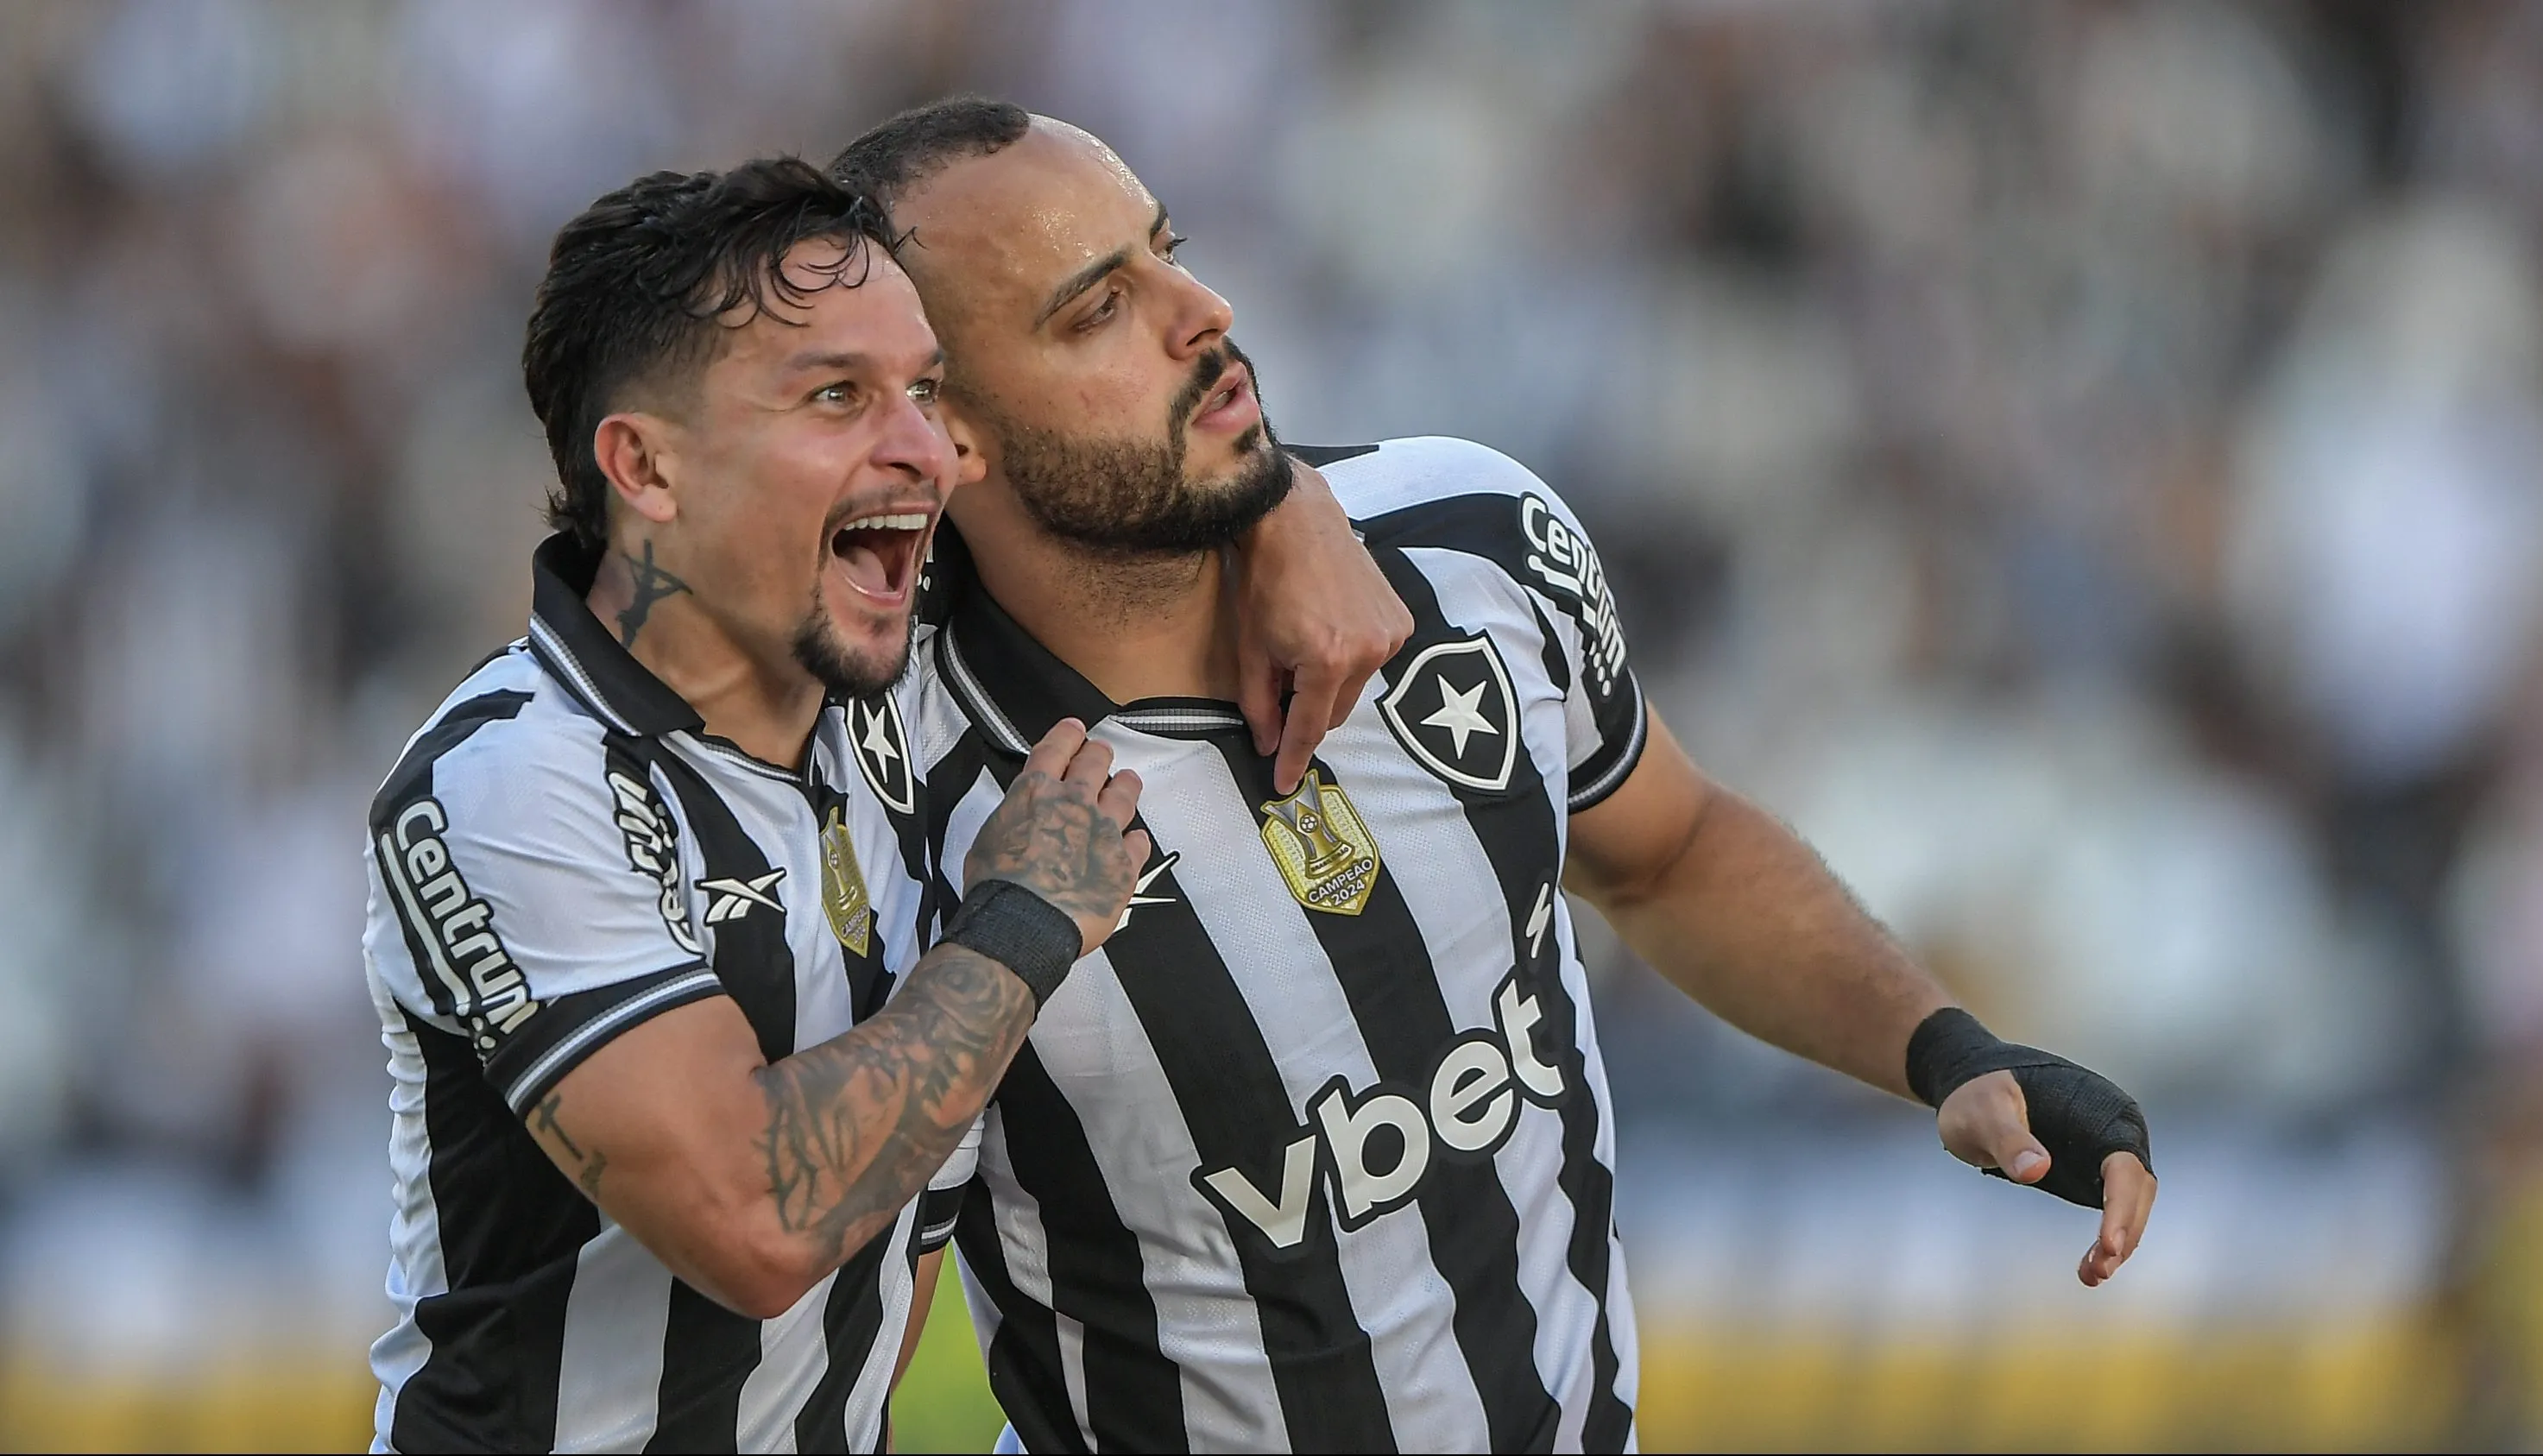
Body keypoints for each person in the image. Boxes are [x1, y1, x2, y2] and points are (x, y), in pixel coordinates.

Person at [830, 101, 2160, 1454]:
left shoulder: (1470, 544)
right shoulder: (886, 797)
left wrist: (1944, 1048)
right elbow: (841, 1309)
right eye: (1099, 308)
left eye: (1166, 250)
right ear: (946, 430)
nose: (1203, 310)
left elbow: (1669, 851)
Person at [361, 157, 1403, 1453]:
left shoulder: (878, 657)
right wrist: (1022, 921)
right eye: (837, 397)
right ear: (648, 468)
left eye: (923, 388)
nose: (925, 447)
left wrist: (1288, 509)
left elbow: (1111, 464)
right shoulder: (514, 780)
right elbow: (757, 1218)